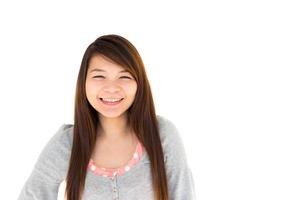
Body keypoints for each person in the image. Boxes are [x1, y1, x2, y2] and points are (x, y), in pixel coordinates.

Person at [17, 34, 196, 200]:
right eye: (99, 76)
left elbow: (184, 195)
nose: (112, 88)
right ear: (84, 82)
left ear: (139, 83)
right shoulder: (67, 144)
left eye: (124, 76)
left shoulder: (162, 134)